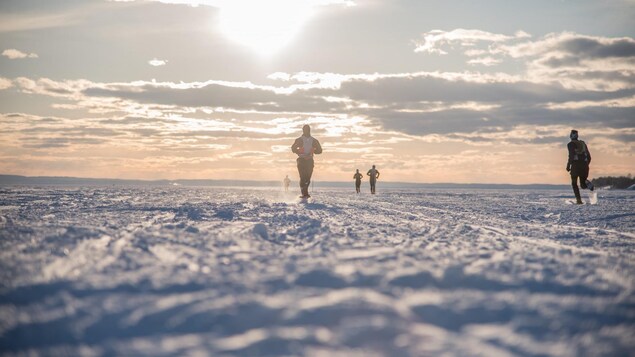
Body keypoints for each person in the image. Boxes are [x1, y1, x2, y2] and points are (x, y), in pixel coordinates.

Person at [291, 124, 323, 198]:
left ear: (309, 130)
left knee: (308, 177)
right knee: (303, 176)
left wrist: (314, 150)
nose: (306, 131)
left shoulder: (314, 140)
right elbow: (293, 148)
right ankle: (304, 193)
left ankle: (305, 192)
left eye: (307, 130)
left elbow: (320, 150)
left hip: (309, 160)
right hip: (301, 160)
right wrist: (299, 151)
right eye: (305, 130)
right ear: (303, 130)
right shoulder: (299, 139)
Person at [566, 129, 594, 204]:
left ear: (571, 136)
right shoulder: (583, 143)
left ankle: (579, 200)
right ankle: (588, 184)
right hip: (584, 166)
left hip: (575, 166)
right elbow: (589, 157)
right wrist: (585, 165)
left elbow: (571, 156)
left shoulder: (570, 144)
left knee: (574, 183)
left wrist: (568, 166)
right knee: (583, 184)